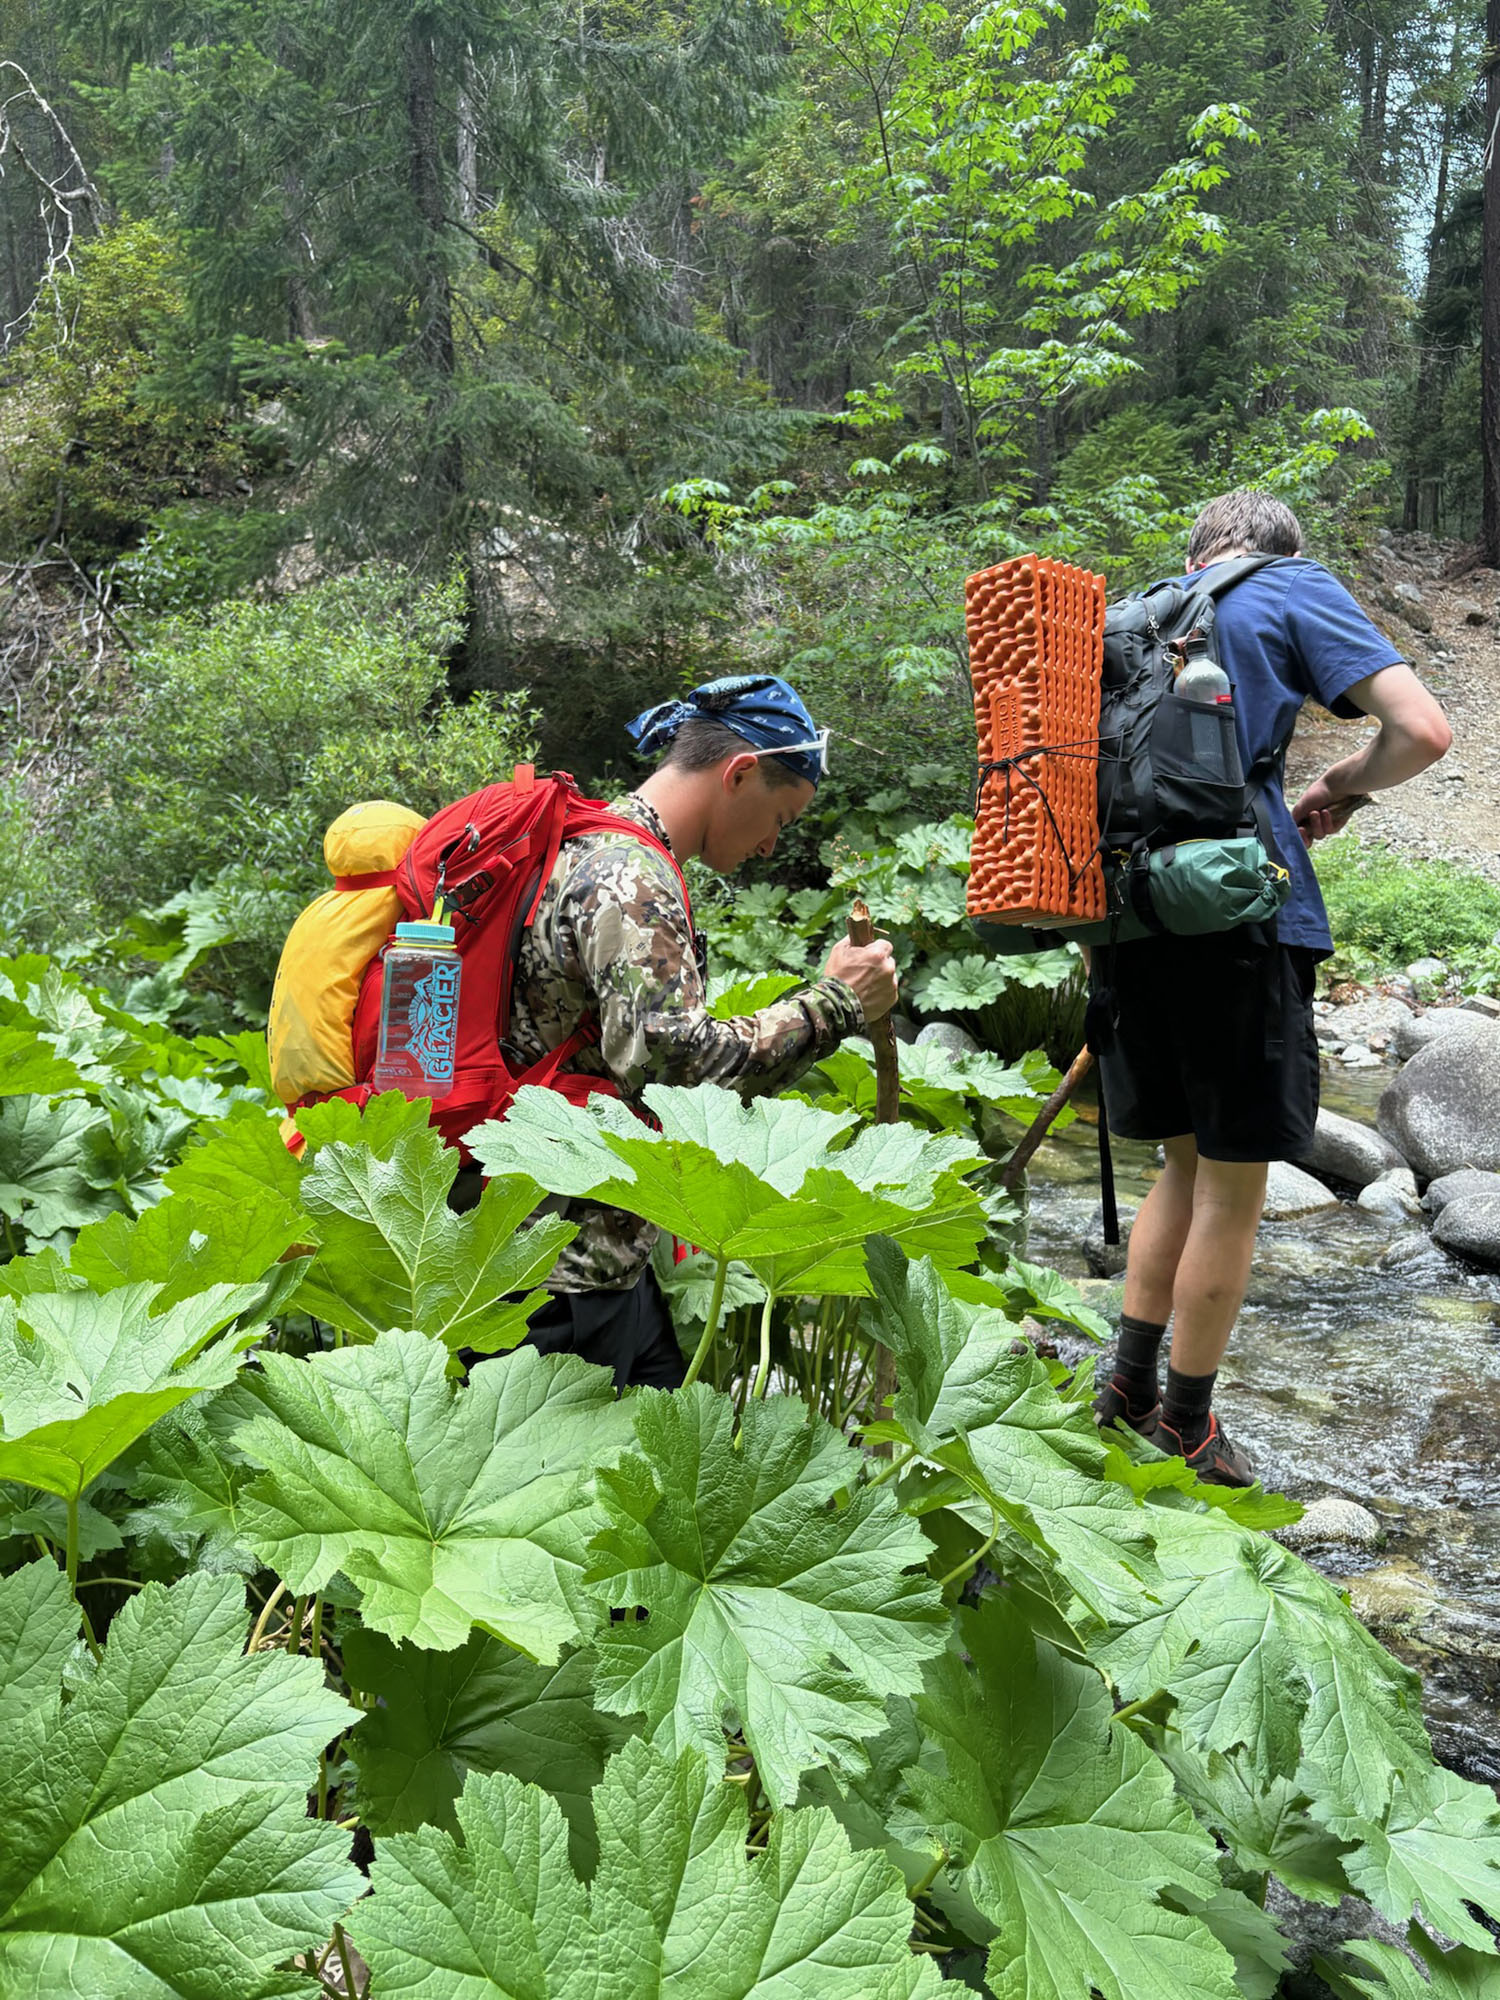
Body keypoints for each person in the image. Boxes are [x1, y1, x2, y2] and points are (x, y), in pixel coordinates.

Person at [1091, 490, 1451, 1484]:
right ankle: (1190, 1425)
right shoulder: (1289, 586)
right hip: (1239, 917)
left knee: (1181, 1166)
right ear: (1281, 549)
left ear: (1199, 547)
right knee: (1235, 1184)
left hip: (1128, 917)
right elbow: (1423, 731)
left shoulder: (1140, 612)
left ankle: (1124, 1383)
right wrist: (1344, 783)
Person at [490, 673, 897, 1389]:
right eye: (783, 817)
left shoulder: (589, 842)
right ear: (740, 773)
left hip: (594, 1246)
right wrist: (836, 1003)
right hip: (563, 1272)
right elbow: (680, 1070)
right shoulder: (629, 878)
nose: (773, 846)